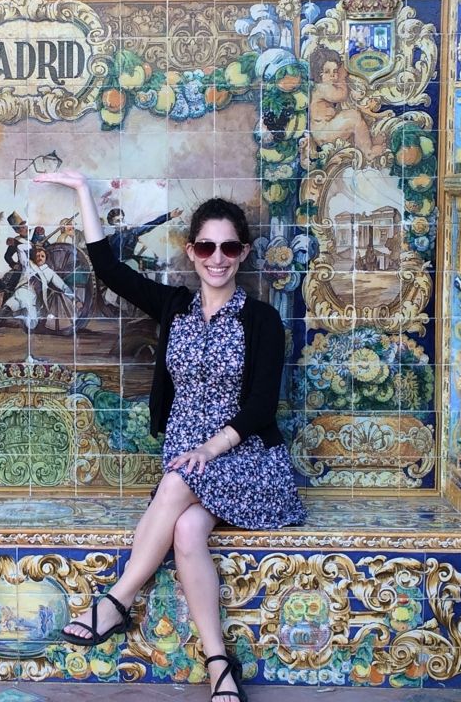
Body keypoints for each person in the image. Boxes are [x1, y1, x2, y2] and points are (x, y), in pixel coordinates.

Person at [35, 170, 307, 702]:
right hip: (192, 463)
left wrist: (210, 447)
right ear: (191, 251)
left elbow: (259, 407)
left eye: (229, 246)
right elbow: (110, 270)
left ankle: (115, 600)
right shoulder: (174, 306)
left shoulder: (262, 320)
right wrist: (83, 193)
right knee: (185, 532)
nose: (217, 256)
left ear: (244, 252)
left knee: (179, 478)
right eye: (207, 245)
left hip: (245, 458)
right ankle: (218, 665)